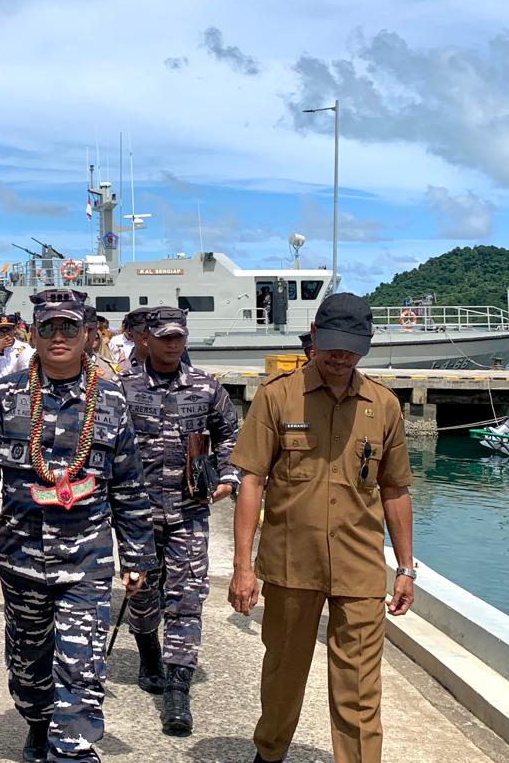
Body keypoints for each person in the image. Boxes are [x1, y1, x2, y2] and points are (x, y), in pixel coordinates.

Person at [0, 288, 155, 763]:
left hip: (87, 559)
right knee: (28, 665)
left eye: (70, 326)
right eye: (49, 328)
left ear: (87, 333)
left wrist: (136, 555)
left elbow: (129, 482)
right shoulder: (3, 396)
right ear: (34, 334)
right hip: (21, 555)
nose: (60, 336)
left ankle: (72, 748)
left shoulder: (112, 397)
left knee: (81, 663)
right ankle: (37, 719)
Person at [228, 293, 415, 763]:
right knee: (283, 674)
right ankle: (269, 753)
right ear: (314, 336)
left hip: (360, 568)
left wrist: (407, 568)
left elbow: (395, 490)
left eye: (351, 348)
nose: (339, 356)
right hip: (292, 564)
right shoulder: (278, 396)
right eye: (331, 344)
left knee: (359, 687)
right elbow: (251, 480)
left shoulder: (384, 406)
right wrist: (242, 567)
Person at [118, 306, 239, 736]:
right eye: (164, 337)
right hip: (138, 514)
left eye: (179, 337)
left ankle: (177, 689)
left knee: (187, 598)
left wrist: (227, 476)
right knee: (142, 594)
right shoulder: (124, 389)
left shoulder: (207, 388)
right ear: (145, 339)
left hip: (189, 511)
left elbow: (229, 434)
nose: (173, 344)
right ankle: (148, 649)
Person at [0, 313, 33, 384]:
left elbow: (28, 371)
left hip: (15, 389)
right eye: (1, 330)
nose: (5, 334)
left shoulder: (24, 348)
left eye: (8, 330)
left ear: (14, 329)